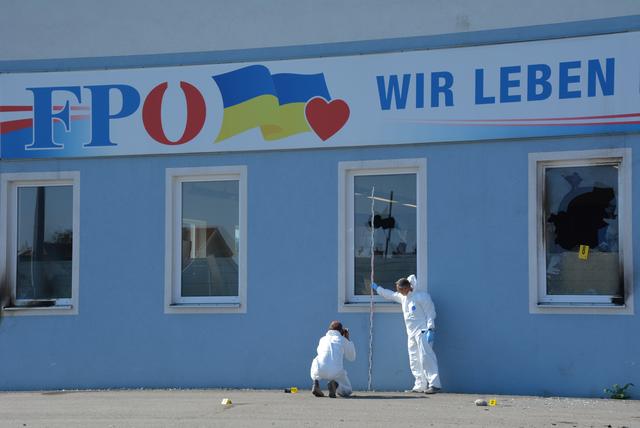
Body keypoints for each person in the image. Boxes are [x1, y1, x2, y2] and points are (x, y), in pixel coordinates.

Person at [371, 274, 441, 394]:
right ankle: (420, 385)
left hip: (423, 332)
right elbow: (390, 295)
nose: (398, 292)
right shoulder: (403, 298)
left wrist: (431, 329)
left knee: (426, 358)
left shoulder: (421, 297)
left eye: (400, 289)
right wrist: (377, 288)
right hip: (411, 334)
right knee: (414, 359)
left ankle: (435, 384)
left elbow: (430, 313)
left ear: (406, 287)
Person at [310, 320, 356, 398]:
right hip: (336, 372)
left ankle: (315, 382)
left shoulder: (322, 339)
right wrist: (347, 339)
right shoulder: (343, 340)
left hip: (320, 370)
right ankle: (335, 386)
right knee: (348, 390)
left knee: (316, 360)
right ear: (341, 331)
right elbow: (352, 357)